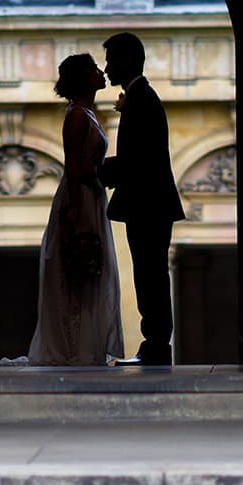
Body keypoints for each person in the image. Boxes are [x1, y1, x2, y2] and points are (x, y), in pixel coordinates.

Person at [8, 52, 123, 366]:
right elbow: (73, 166)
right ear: (84, 78)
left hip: (91, 195)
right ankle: (74, 346)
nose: (102, 72)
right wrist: (76, 210)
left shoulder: (88, 112)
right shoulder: (76, 116)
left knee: (89, 270)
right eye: (95, 69)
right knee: (77, 269)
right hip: (80, 196)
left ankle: (85, 343)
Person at [100, 30, 184, 366]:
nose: (106, 68)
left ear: (128, 60)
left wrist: (95, 171)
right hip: (150, 205)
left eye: (111, 61)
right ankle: (155, 345)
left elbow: (139, 160)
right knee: (149, 274)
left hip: (148, 206)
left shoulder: (143, 100)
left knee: (150, 275)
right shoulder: (138, 98)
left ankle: (156, 345)